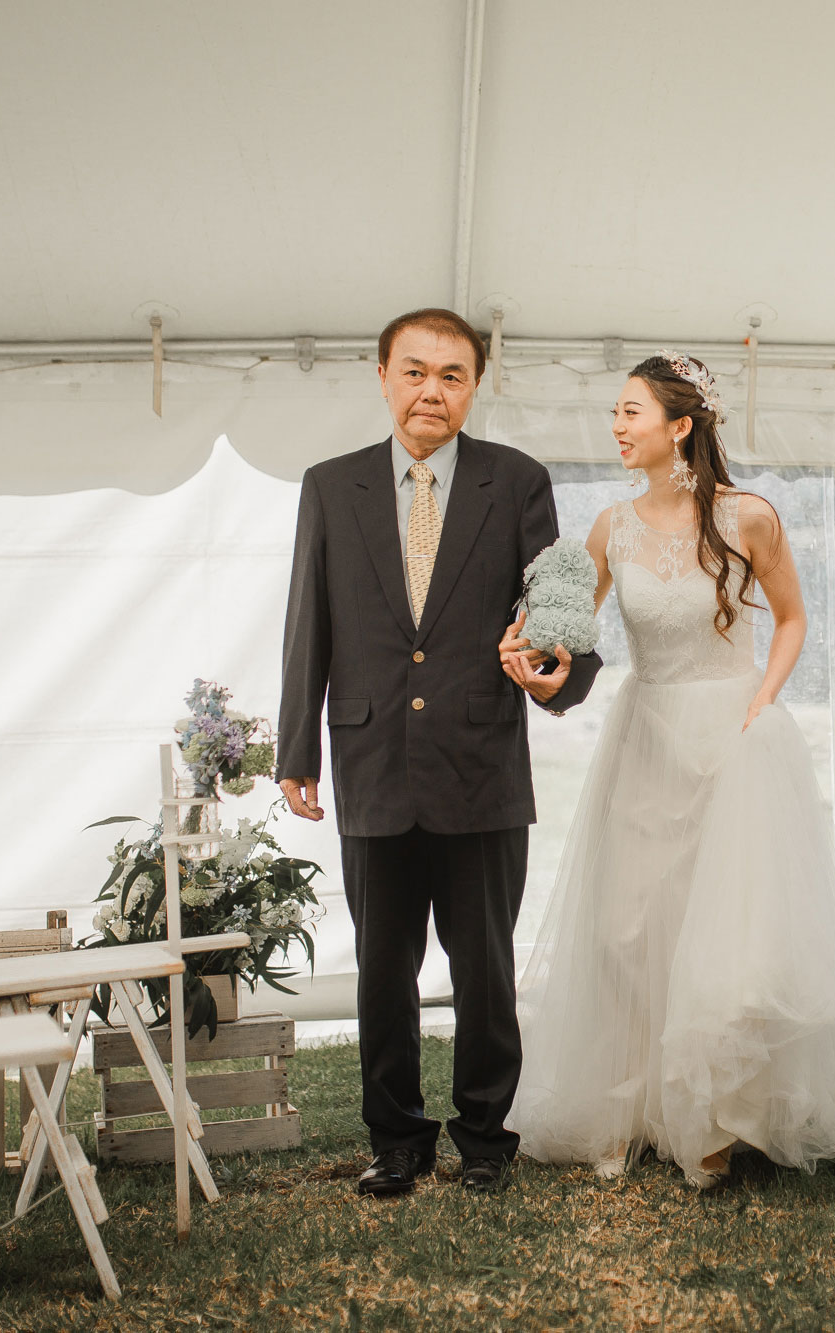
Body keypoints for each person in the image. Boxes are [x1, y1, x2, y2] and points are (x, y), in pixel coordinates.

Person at [504, 352, 835, 1189]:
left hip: (731, 735)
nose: (616, 426)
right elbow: (571, 630)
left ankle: (713, 1121)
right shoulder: (610, 526)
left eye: (631, 412)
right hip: (645, 735)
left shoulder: (749, 516)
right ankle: (624, 1110)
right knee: (625, 929)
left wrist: (763, 700)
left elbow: (791, 619)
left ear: (679, 426)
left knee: (715, 933)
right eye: (615, 411)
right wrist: (535, 653)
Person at [275, 308, 604, 1197]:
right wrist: (296, 748)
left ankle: (487, 1140)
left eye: (452, 375)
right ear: (383, 376)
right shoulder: (329, 485)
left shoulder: (518, 481)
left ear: (475, 385)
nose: (432, 390)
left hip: (482, 766)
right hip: (371, 760)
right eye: (415, 371)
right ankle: (396, 1141)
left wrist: (554, 675)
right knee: (383, 969)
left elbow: (559, 615)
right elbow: (310, 621)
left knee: (484, 967)